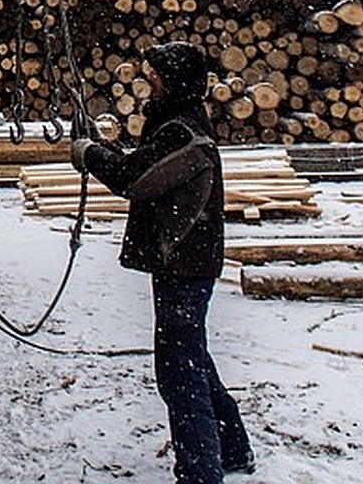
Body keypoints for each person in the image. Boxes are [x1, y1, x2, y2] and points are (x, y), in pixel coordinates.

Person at [71, 41, 254, 484]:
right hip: (186, 263)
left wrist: (89, 154)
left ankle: (200, 472)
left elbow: (136, 178)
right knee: (192, 359)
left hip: (185, 266)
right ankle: (231, 449)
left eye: (154, 75)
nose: (147, 81)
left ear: (173, 80)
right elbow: (140, 164)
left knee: (180, 373)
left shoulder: (182, 131)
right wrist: (95, 144)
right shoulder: (174, 123)